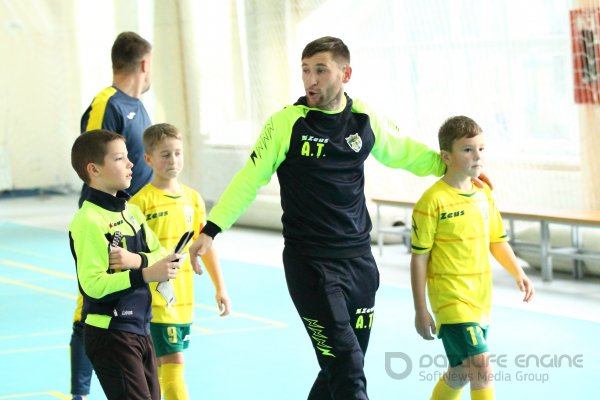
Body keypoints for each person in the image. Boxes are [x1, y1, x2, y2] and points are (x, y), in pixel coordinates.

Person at [188, 36, 450, 399]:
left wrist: (450, 165)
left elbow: (403, 151)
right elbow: (250, 178)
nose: (310, 80)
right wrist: (211, 228)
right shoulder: (287, 124)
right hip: (311, 266)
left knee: (339, 369)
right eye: (305, 71)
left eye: (320, 71)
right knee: (347, 367)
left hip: (360, 263)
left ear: (346, 73)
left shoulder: (363, 117)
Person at [409, 116, 535, 400]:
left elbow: (497, 240)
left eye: (481, 148)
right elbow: (419, 258)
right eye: (467, 149)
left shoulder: (483, 194)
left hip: (480, 299)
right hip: (450, 299)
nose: (477, 156)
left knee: (463, 370)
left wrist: (518, 272)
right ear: (446, 156)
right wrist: (421, 309)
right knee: (482, 366)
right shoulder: (431, 202)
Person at [70, 31, 154, 400]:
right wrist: (107, 218)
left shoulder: (141, 107)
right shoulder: (109, 103)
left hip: (132, 218)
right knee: (90, 307)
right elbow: (94, 154)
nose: (129, 163)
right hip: (107, 225)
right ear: (144, 63)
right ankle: (81, 392)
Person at [69, 129, 182, 400]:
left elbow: (161, 253)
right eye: (120, 158)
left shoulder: (132, 212)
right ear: (94, 169)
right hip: (111, 334)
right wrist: (143, 273)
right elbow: (93, 286)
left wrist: (139, 261)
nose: (131, 164)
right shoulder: (89, 221)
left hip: (141, 329)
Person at [129, 123, 231, 399]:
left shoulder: (193, 199)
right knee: (174, 368)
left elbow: (204, 246)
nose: (173, 160)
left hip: (184, 300)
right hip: (156, 301)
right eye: (165, 154)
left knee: (161, 371)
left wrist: (219, 287)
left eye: (177, 153)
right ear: (148, 159)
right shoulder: (140, 203)